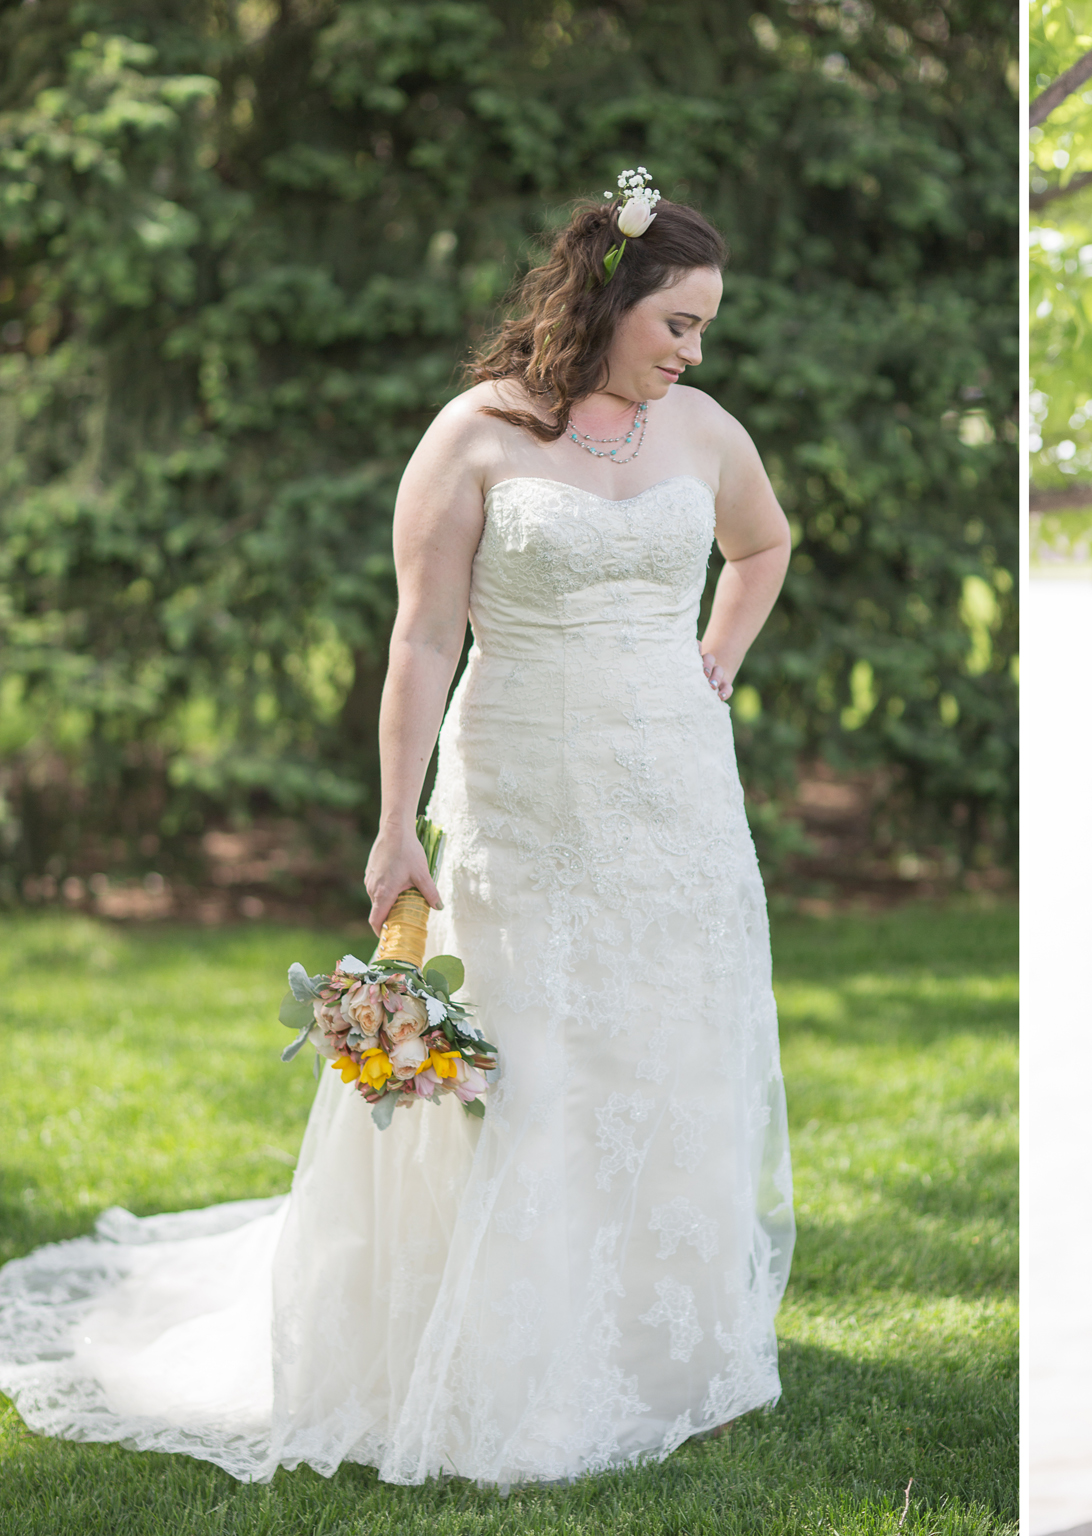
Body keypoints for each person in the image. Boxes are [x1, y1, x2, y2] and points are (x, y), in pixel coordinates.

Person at [0, 176, 796, 1487]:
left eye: (706, 329)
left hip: (676, 798)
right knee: (528, 1060)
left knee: (670, 1054)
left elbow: (761, 549)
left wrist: (713, 659)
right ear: (605, 301)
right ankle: (512, 1344)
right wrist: (392, 829)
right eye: (678, 321)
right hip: (523, 797)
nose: (693, 351)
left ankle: (675, 1347)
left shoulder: (708, 432)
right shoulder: (476, 434)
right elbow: (424, 637)